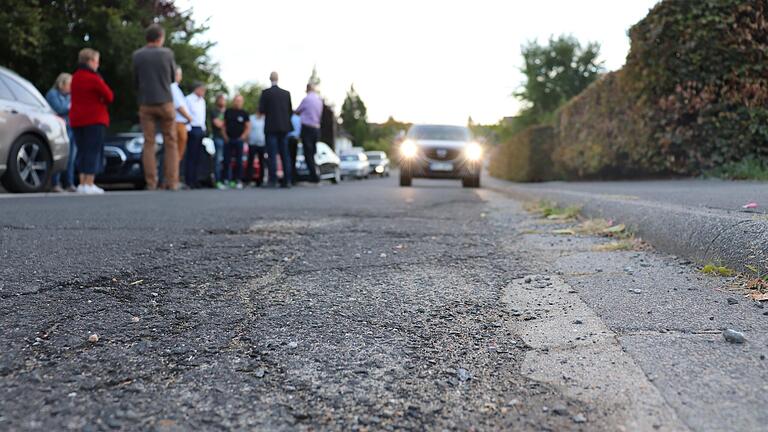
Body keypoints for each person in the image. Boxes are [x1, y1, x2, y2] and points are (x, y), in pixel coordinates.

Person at [132, 23, 178, 191]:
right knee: (171, 142)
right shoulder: (167, 54)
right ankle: (171, 182)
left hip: (145, 103)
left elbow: (135, 80)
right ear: (160, 38)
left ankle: (151, 182)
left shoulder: (137, 55)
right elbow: (173, 78)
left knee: (149, 143)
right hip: (165, 101)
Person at [69, 48, 113, 195]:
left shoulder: (75, 77)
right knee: (93, 151)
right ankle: (90, 182)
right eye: (96, 61)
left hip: (77, 119)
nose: (97, 65)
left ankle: (82, 183)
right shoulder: (94, 78)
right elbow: (109, 96)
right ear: (90, 61)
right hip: (94, 118)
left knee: (82, 150)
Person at [258, 71, 293, 188]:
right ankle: (287, 180)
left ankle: (273, 181)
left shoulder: (266, 93)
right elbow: (290, 111)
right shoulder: (286, 93)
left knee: (272, 155)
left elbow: (261, 110)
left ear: (269, 79)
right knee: (285, 154)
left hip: (271, 127)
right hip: (284, 127)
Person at [45, 73, 77, 192]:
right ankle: (55, 183)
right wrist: (71, 106)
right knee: (60, 155)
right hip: (59, 129)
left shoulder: (70, 96)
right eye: (69, 84)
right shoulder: (52, 94)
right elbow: (59, 108)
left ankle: (69, 183)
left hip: (71, 127)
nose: (71, 87)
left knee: (71, 157)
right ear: (61, 84)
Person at [295, 83, 324, 183]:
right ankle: (315, 173)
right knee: (313, 153)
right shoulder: (319, 100)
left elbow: (298, 111)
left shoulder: (306, 99)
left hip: (307, 128)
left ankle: (314, 176)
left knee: (308, 154)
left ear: (307, 89)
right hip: (316, 128)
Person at [222, 95, 251, 189]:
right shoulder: (228, 112)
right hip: (228, 139)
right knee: (226, 160)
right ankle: (226, 179)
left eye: (240, 101)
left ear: (242, 102)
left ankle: (238, 180)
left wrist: (243, 136)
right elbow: (223, 125)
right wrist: (225, 136)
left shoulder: (244, 113)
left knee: (239, 161)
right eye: (236, 100)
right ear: (233, 101)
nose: (238, 102)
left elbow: (248, 127)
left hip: (239, 140)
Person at [171, 66, 193, 182]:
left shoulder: (176, 88)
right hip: (178, 123)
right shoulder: (173, 87)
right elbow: (178, 105)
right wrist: (189, 117)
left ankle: (174, 178)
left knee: (178, 153)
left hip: (181, 123)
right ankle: (173, 179)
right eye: (179, 74)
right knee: (177, 153)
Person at [184, 82, 207, 188]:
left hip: (200, 129)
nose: (204, 92)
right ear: (197, 89)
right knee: (191, 156)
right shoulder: (188, 99)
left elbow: (202, 116)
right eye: (202, 90)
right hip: (192, 128)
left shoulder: (202, 101)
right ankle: (189, 180)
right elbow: (186, 114)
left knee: (199, 156)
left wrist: (204, 129)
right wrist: (188, 129)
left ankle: (196, 179)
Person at [211, 94, 227, 189]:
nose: (223, 101)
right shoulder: (214, 111)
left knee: (226, 160)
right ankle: (218, 181)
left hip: (227, 138)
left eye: (224, 99)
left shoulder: (227, 111)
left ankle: (226, 179)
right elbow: (218, 124)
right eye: (221, 99)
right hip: (218, 137)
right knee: (218, 160)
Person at [245, 113, 266, 187]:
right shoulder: (251, 118)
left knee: (262, 162)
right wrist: (247, 139)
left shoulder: (265, 118)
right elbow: (248, 128)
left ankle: (261, 180)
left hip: (262, 143)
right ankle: (248, 180)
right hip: (252, 143)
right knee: (250, 162)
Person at [286, 113, 301, 184]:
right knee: (293, 159)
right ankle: (293, 179)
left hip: (288, 139)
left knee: (288, 159)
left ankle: (288, 178)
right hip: (295, 139)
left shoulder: (287, 117)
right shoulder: (298, 118)